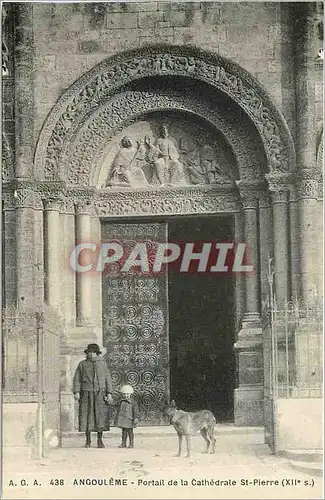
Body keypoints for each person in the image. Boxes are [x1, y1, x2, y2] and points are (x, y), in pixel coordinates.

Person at [73, 343, 113, 448]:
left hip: (100, 393)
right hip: (86, 393)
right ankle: (88, 441)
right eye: (89, 352)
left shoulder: (102, 364)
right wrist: (77, 391)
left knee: (100, 417)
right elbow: (77, 379)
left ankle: (100, 440)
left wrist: (109, 393)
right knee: (87, 416)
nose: (91, 354)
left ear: (97, 353)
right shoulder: (82, 364)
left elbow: (107, 378)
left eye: (93, 352)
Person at [115, 385, 139, 449]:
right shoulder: (121, 401)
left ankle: (131, 444)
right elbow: (116, 406)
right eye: (124, 394)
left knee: (130, 432)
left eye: (127, 394)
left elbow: (136, 411)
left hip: (130, 420)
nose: (126, 395)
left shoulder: (133, 402)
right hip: (123, 420)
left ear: (130, 394)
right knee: (124, 432)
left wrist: (136, 417)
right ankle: (123, 444)